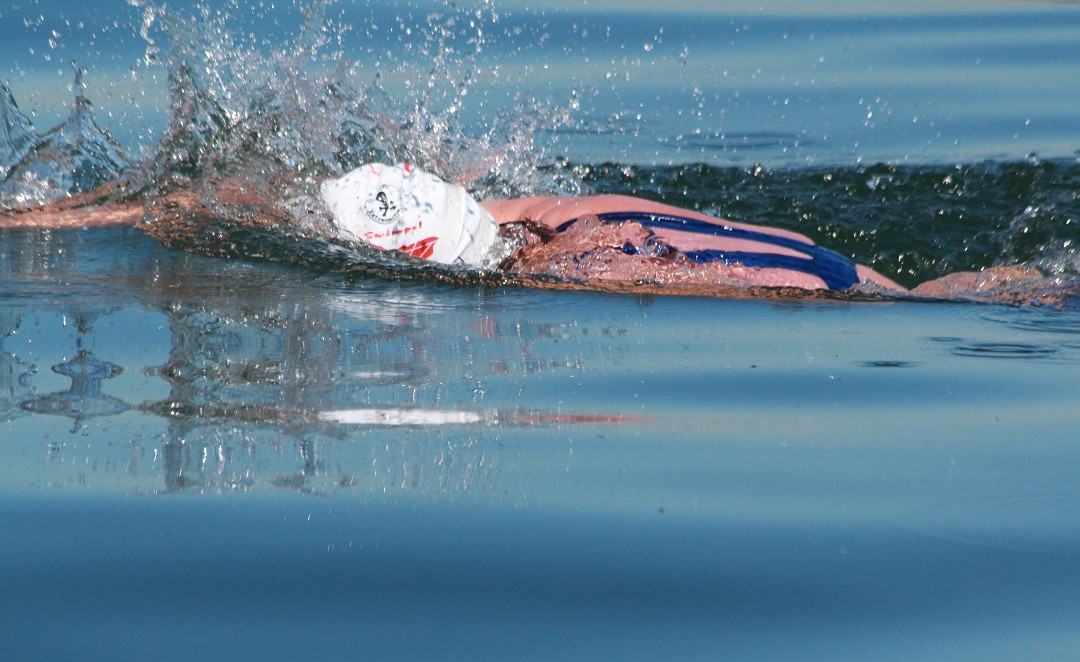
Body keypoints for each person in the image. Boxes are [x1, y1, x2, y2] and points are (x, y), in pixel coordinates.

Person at [0, 161, 1040, 298]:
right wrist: (44, 216)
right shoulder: (554, 209)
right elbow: (268, 189)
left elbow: (665, 271)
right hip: (841, 274)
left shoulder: (573, 259)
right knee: (999, 285)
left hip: (824, 297)